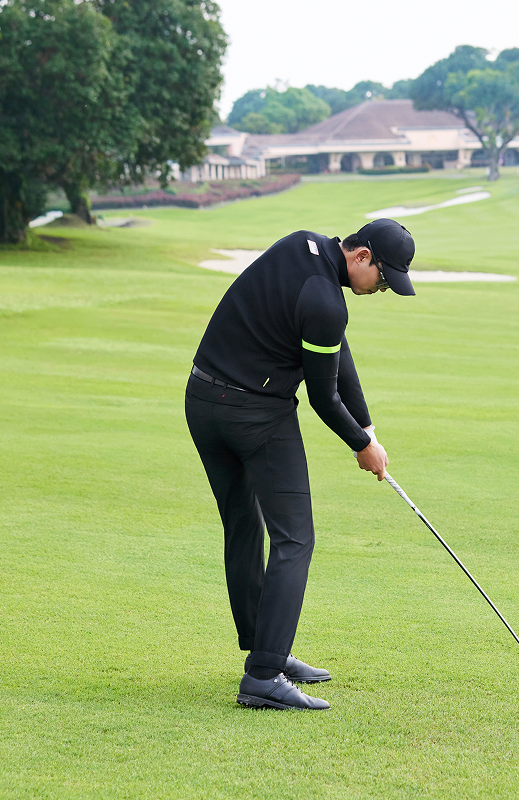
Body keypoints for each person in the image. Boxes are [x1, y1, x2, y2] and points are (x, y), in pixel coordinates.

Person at [185, 218, 415, 711]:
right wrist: (362, 446)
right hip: (255, 415)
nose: (381, 289)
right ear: (362, 257)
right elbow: (323, 397)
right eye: (383, 279)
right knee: (295, 538)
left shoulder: (302, 246)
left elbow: (336, 352)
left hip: (203, 400)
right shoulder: (327, 302)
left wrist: (368, 426)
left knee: (244, 525)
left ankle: (264, 651)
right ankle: (263, 676)